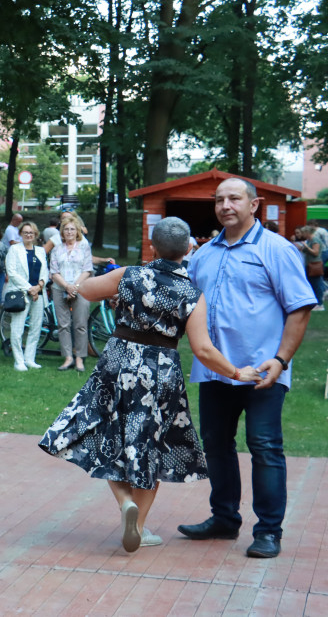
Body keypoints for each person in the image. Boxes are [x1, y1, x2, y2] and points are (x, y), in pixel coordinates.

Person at [40, 217, 262, 553]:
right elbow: (203, 349)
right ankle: (139, 527)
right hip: (161, 372)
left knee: (107, 433)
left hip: (119, 361)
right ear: (188, 250)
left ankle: (125, 503)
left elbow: (85, 290)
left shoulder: (129, 276)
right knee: (153, 445)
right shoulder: (191, 293)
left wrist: (115, 292)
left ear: (152, 246)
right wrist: (236, 373)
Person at [178, 177, 315, 559]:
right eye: (219, 199)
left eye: (234, 198)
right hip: (215, 371)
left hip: (262, 372)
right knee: (217, 446)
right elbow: (187, 309)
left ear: (254, 205)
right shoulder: (204, 254)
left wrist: (282, 359)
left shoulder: (277, 250)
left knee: (265, 447)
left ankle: (269, 531)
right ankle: (224, 519)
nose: (226, 205)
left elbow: (300, 308)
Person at [49, 217, 93, 372]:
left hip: (81, 289)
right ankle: (68, 357)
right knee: (63, 325)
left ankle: (80, 358)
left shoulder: (84, 247)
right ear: (62, 232)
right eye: (66, 229)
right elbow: (54, 272)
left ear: (77, 231)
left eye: (72, 229)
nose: (69, 232)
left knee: (80, 324)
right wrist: (67, 286)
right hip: (59, 288)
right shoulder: (56, 249)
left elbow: (87, 269)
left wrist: (75, 287)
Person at [4, 221, 47, 371]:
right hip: (21, 293)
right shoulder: (14, 250)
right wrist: (30, 289)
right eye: (26, 232)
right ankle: (19, 361)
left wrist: (40, 286)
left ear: (35, 235)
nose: (29, 235)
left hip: (39, 294)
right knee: (17, 328)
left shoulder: (40, 251)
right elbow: (12, 272)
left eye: (31, 233)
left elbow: (45, 272)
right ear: (21, 234)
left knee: (36, 328)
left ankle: (30, 359)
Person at [293, 225, 324, 310]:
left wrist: (305, 247)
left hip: (315, 265)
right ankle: (315, 303)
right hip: (309, 264)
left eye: (304, 233)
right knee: (312, 284)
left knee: (316, 285)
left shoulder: (315, 240)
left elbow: (315, 253)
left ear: (308, 232)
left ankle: (320, 304)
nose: (303, 234)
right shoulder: (310, 240)